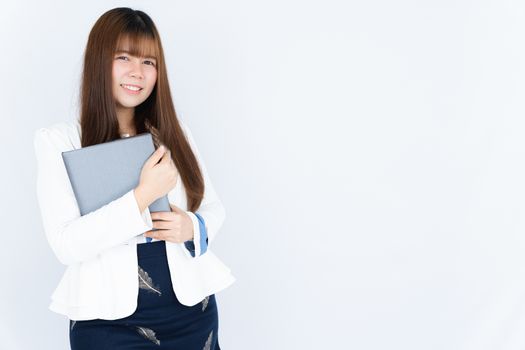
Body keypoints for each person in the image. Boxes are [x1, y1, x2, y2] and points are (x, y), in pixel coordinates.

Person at [33, 7, 235, 349]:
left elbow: (213, 207)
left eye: (149, 62)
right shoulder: (59, 141)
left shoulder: (174, 133)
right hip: (107, 320)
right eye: (123, 57)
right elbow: (66, 245)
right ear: (99, 61)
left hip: (191, 312)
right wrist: (143, 196)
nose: (137, 73)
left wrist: (191, 227)